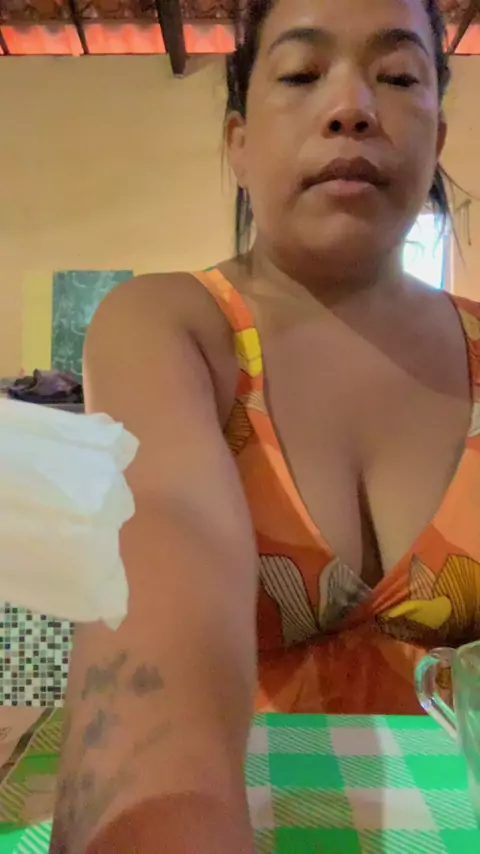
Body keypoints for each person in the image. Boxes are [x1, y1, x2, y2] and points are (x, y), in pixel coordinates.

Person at [51, 0, 480, 851]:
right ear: (239, 144)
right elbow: (162, 524)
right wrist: (152, 817)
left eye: (399, 77)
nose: (352, 106)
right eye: (302, 73)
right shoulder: (169, 326)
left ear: (437, 137)